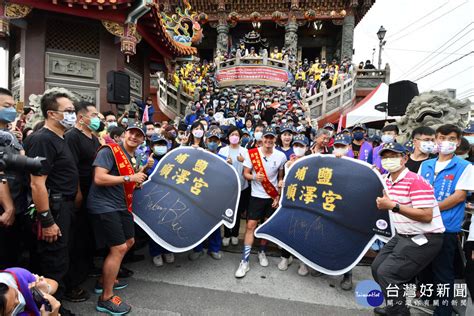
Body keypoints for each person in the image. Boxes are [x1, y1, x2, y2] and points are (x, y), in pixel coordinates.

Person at [371, 142, 445, 316]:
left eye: (393, 156)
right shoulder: (387, 180)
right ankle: (395, 306)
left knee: (388, 272)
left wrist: (393, 206)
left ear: (404, 158)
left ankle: (399, 312)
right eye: (385, 156)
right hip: (404, 234)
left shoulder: (415, 181)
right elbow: (365, 175)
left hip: (426, 237)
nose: (388, 160)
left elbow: (426, 215)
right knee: (377, 267)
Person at [87, 124, 152, 315]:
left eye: (138, 135)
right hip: (104, 206)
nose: (133, 136)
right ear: (124, 134)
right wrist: (130, 177)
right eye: (131, 132)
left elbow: (126, 180)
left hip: (121, 205)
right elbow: (99, 178)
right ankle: (105, 298)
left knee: (129, 241)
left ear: (142, 141)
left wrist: (136, 179)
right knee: (119, 248)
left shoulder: (130, 157)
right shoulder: (109, 151)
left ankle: (103, 280)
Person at [23, 91, 79, 316]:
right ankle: (49, 309)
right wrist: (47, 220)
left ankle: (55, 305)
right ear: (51, 114)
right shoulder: (43, 139)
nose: (72, 115)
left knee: (61, 258)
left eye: (73, 111)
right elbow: (38, 185)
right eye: (68, 111)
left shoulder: (61, 138)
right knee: (52, 262)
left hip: (64, 207)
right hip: (52, 210)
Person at [419, 124, 474, 315]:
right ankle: (427, 299)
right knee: (423, 267)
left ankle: (443, 311)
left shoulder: (465, 167)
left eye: (451, 138)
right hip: (422, 224)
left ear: (458, 142)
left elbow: (459, 196)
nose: (446, 142)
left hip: (445, 227)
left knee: (443, 271)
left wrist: (431, 209)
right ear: (435, 139)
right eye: (441, 137)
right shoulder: (425, 164)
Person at [235, 126, 286, 278]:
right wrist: (254, 177)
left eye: (271, 138)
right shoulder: (252, 154)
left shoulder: (281, 156)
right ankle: (245, 261)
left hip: (271, 196)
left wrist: (278, 195)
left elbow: (280, 176)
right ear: (262, 139)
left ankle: (262, 252)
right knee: (251, 225)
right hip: (256, 195)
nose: (268, 140)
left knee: (266, 226)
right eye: (266, 138)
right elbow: (245, 174)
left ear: (275, 139)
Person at [63, 101, 101, 303]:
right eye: (94, 115)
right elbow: (72, 169)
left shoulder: (93, 138)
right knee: (75, 237)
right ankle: (73, 281)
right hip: (80, 191)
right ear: (81, 117)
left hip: (94, 191)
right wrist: (77, 192)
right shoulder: (72, 137)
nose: (97, 118)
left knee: (88, 232)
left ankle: (87, 267)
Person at [0, 88, 27, 270]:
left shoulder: (9, 134)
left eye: (12, 106)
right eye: (6, 106)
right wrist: (8, 206)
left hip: (18, 201)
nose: (11, 110)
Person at [188, 130, 224, 261]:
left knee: (214, 224)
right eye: (210, 140)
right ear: (206, 141)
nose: (213, 143)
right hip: (198, 194)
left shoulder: (223, 159)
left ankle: (214, 249)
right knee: (197, 223)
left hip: (215, 197)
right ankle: (197, 249)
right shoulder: (198, 154)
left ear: (219, 142)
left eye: (215, 141)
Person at [277, 134, 310, 276]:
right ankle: (285, 257)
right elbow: (284, 180)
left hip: (305, 201)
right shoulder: (288, 163)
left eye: (301, 146)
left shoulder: (311, 162)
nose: (298, 148)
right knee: (287, 229)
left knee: (303, 232)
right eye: (296, 145)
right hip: (290, 201)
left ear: (307, 148)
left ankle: (303, 262)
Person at [146, 134, 176, 267]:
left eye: (163, 144)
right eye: (158, 144)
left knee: (169, 223)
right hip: (153, 198)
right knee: (154, 226)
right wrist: (146, 166)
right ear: (152, 146)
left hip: (170, 198)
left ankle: (168, 250)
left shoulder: (172, 160)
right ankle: (156, 252)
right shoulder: (146, 160)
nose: (161, 147)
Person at [219, 126, 250, 247]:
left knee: (237, 212)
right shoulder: (222, 150)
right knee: (227, 211)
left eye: (237, 135)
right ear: (228, 137)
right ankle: (227, 234)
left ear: (240, 137)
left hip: (242, 187)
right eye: (232, 134)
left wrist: (243, 161)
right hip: (227, 187)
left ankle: (235, 234)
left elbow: (249, 169)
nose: (234, 137)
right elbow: (219, 168)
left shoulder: (245, 152)